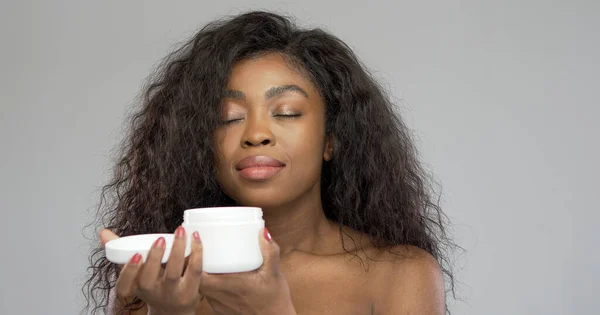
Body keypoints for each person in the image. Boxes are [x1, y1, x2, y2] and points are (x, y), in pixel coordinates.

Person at [83, 10, 456, 315]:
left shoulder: (401, 275)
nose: (256, 134)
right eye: (229, 117)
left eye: (288, 113)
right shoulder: (156, 281)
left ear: (331, 139)